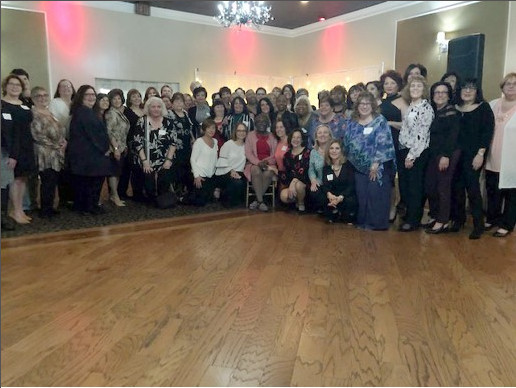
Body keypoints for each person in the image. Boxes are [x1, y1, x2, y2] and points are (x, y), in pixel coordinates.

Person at [344, 91, 396, 230]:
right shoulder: (351, 122)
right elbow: (347, 143)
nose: (364, 106)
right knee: (362, 195)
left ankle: (376, 224)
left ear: (373, 105)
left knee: (375, 194)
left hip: (378, 166)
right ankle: (363, 222)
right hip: (357, 166)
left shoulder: (380, 121)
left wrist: (375, 163)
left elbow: (384, 142)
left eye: (367, 103)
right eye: (361, 103)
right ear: (357, 106)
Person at [450, 78, 495, 239]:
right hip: (455, 155)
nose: (467, 91)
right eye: (464, 88)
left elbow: (487, 132)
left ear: (477, 91)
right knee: (456, 188)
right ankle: (458, 220)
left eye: (471, 88)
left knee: (473, 188)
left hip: (474, 155)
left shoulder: (484, 108)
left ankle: (478, 224)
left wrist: (480, 154)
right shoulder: (454, 108)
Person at [68, 85, 114, 215]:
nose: (91, 97)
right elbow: (93, 135)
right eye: (87, 95)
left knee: (89, 183)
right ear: (81, 97)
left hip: (89, 154)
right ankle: (89, 206)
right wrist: (104, 149)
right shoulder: (84, 112)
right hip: (89, 155)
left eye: (93, 95)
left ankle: (88, 206)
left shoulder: (86, 112)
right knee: (90, 183)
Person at [398, 75, 434, 232]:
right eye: (412, 86)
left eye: (419, 86)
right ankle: (410, 215)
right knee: (406, 186)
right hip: (405, 149)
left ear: (424, 90)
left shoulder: (426, 108)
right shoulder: (412, 106)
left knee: (415, 188)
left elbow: (422, 134)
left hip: (417, 153)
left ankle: (413, 220)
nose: (415, 89)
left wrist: (411, 156)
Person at [424, 82, 461, 234]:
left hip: (447, 153)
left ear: (449, 95)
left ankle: (442, 221)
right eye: (436, 92)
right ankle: (436, 216)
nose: (440, 95)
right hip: (434, 153)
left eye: (443, 92)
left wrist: (445, 155)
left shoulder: (451, 112)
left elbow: (453, 136)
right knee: (431, 186)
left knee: (443, 188)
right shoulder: (434, 111)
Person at [1, 74, 36, 224]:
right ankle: (14, 210)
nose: (15, 87)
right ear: (5, 86)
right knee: (14, 179)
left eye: (18, 85)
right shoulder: (2, 104)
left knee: (22, 178)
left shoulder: (24, 105)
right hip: (11, 147)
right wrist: (11, 152)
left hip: (26, 145)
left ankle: (20, 209)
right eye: (12, 84)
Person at [485, 72, 516, 237]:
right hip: (492, 157)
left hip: (512, 160)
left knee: (511, 194)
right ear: (502, 87)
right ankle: (492, 218)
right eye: (508, 83)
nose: (511, 86)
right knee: (492, 191)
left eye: (514, 84)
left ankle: (507, 224)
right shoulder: (493, 104)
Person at [132, 97, 177, 205]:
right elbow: (137, 143)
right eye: (153, 107)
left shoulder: (168, 122)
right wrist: (144, 161)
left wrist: (168, 160)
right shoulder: (142, 121)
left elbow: (173, 142)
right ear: (148, 108)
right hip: (147, 159)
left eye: (158, 107)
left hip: (165, 159)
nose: (156, 109)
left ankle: (162, 200)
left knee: (164, 184)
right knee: (149, 187)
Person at [30, 86, 67, 219]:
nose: (43, 98)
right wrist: (57, 145)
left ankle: (50, 207)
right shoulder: (33, 113)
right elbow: (37, 135)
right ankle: (45, 210)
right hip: (44, 152)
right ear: (33, 98)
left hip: (55, 152)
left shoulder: (49, 112)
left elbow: (59, 130)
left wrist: (63, 141)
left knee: (52, 181)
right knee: (47, 181)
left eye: (45, 95)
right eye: (39, 96)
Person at [379, 70, 409, 222]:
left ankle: (395, 207)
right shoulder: (381, 102)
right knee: (384, 177)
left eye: (392, 83)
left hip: (397, 143)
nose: (389, 86)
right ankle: (384, 206)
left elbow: (408, 124)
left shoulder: (403, 101)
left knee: (397, 178)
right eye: (386, 83)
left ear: (398, 85)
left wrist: (390, 123)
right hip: (382, 145)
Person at [244, 113, 278, 211]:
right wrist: (258, 162)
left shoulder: (272, 136)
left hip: (269, 164)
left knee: (268, 173)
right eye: (259, 121)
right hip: (253, 163)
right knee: (256, 171)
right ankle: (261, 201)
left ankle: (257, 200)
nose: (261, 123)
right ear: (255, 123)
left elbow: (275, 154)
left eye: (264, 121)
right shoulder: (250, 135)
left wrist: (266, 162)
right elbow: (248, 153)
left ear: (268, 123)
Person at [321, 140, 357, 223]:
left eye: (337, 148)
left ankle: (342, 213)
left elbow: (351, 185)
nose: (334, 151)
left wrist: (341, 197)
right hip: (332, 197)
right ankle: (334, 211)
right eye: (331, 148)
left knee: (348, 215)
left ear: (341, 151)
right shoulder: (326, 168)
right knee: (321, 197)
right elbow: (325, 185)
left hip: (345, 196)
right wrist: (329, 195)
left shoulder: (348, 165)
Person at [105, 89, 130, 207]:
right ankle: (115, 196)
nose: (116, 101)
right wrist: (115, 148)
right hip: (114, 148)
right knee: (114, 173)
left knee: (117, 172)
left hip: (121, 147)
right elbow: (110, 132)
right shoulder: (111, 113)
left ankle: (113, 195)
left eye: (119, 98)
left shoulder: (118, 112)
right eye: (114, 98)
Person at [215, 122, 248, 207]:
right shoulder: (228, 144)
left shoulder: (247, 146)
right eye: (239, 130)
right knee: (237, 184)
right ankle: (224, 196)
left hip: (240, 173)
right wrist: (231, 170)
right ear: (235, 132)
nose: (241, 133)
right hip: (226, 171)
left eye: (244, 131)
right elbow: (221, 161)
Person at [168, 92, 195, 196]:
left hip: (187, 145)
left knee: (186, 168)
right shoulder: (169, 114)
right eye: (176, 101)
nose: (179, 103)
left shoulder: (186, 114)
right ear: (172, 103)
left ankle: (185, 191)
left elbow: (190, 129)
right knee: (176, 169)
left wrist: (193, 139)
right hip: (175, 147)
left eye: (181, 101)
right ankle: (176, 192)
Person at [279, 129, 311, 212]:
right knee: (283, 196)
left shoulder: (307, 152)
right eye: (293, 137)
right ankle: (297, 201)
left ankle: (301, 204)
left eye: (298, 137)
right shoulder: (287, 155)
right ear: (290, 139)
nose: (296, 140)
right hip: (292, 184)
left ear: (302, 139)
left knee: (298, 185)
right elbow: (287, 173)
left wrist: (294, 182)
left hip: (305, 184)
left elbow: (305, 172)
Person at [189, 118, 218, 206]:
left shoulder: (215, 141)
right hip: (200, 175)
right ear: (204, 129)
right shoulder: (199, 142)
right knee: (200, 202)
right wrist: (196, 176)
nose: (211, 130)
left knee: (210, 200)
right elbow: (193, 159)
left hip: (211, 175)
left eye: (213, 128)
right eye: (209, 128)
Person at [124, 89, 145, 201]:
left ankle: (143, 190)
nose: (137, 98)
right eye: (133, 97)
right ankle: (136, 193)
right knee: (135, 167)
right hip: (133, 142)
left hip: (145, 142)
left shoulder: (144, 110)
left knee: (144, 167)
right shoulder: (127, 112)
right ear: (129, 99)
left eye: (138, 96)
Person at [308, 124, 333, 213]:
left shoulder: (334, 149)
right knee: (314, 191)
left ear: (330, 135)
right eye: (320, 133)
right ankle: (329, 208)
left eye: (325, 132)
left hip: (334, 182)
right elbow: (311, 169)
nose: (322, 135)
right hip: (321, 182)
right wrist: (313, 180)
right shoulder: (313, 152)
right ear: (316, 137)